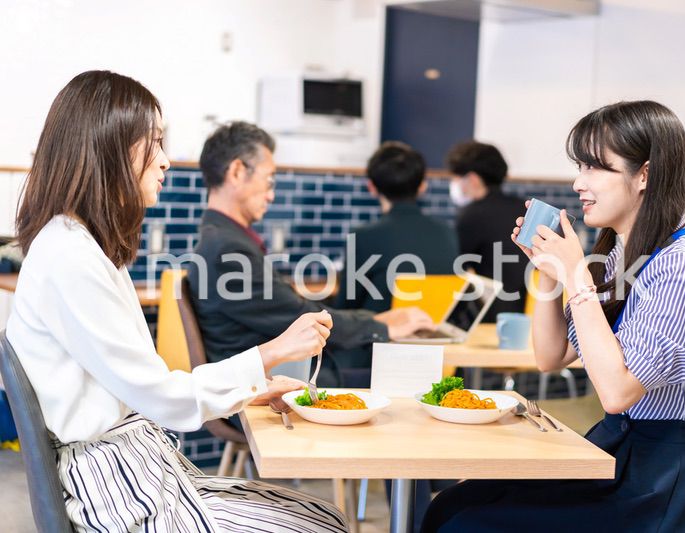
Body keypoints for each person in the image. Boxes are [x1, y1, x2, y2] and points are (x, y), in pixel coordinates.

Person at [7, 70, 349, 532]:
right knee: (320, 525)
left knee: (324, 514)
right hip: (116, 488)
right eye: (156, 144)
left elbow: (153, 387)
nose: (167, 161)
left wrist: (252, 387)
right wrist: (270, 355)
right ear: (109, 147)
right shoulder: (70, 256)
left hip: (140, 467)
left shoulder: (84, 246)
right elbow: (163, 398)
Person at [423, 101, 685, 532]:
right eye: (580, 165)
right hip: (618, 450)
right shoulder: (618, 255)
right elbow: (551, 356)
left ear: (645, 175)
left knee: (467, 523)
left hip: (657, 479)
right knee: (451, 504)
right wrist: (547, 276)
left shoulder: (683, 266)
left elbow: (617, 392)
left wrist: (576, 275)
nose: (580, 182)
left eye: (596, 167)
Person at [188, 122, 433, 389]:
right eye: (269, 180)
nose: (271, 195)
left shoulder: (221, 239)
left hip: (281, 374)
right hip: (273, 384)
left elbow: (289, 311)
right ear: (236, 172)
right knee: (410, 377)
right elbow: (299, 316)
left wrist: (374, 322)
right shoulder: (228, 249)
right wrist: (382, 327)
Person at [336, 141, 459, 313]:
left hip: (381, 337)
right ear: (422, 187)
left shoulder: (362, 236)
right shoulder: (447, 232)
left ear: (371, 187)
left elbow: (346, 307)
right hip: (435, 334)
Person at [446, 140, 528, 322]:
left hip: (490, 316)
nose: (454, 184)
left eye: (456, 178)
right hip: (528, 315)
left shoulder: (472, 215)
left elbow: (456, 266)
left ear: (473, 179)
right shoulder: (523, 208)